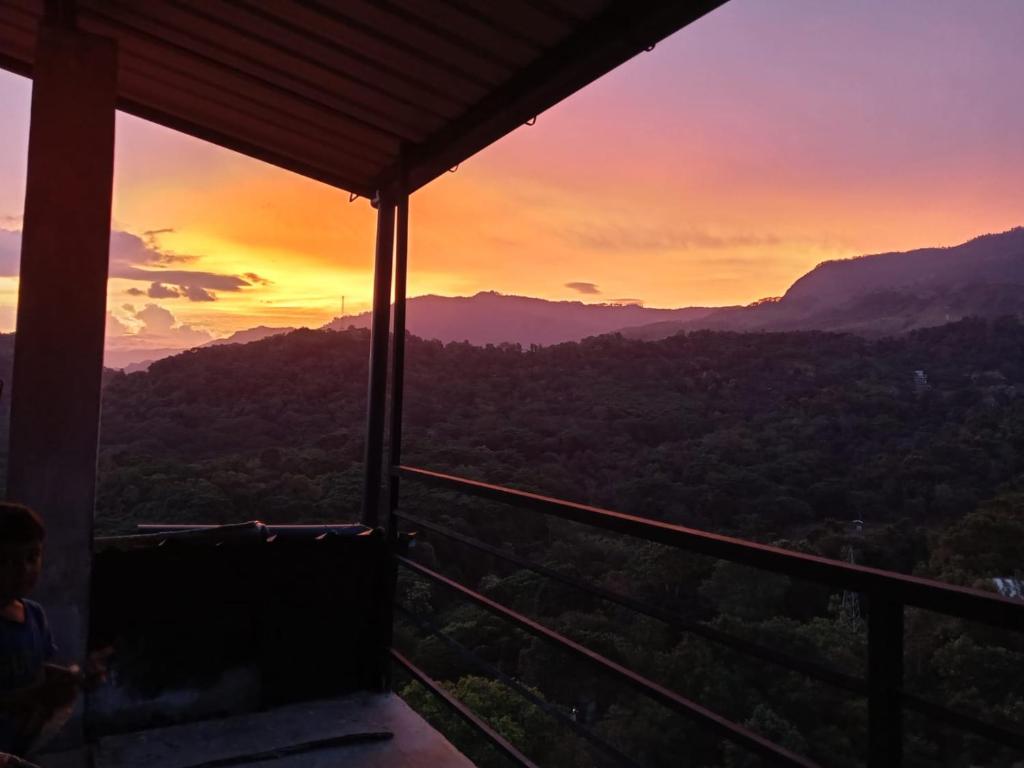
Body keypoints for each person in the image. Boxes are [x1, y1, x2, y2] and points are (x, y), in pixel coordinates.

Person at [0, 503, 80, 762]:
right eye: (6, 561)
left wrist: (72, 678)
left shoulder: (34, 615)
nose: (23, 570)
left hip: (22, 746)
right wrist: (36, 696)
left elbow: (36, 668)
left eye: (32, 557)